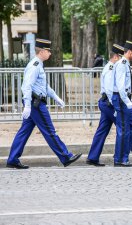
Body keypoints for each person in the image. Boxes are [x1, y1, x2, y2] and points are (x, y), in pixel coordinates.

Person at [6, 38, 82, 169]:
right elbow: (26, 86)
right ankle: (66, 156)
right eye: (48, 51)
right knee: (50, 131)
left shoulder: (38, 64)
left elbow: (44, 86)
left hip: (35, 103)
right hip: (36, 105)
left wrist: (56, 97)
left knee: (23, 132)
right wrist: (28, 105)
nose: (50, 53)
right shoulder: (34, 66)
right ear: (41, 51)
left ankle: (13, 159)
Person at [86, 44, 132, 166]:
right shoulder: (112, 67)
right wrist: (119, 103)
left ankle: (94, 157)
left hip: (113, 101)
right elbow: (109, 89)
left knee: (109, 129)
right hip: (110, 102)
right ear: (117, 56)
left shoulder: (117, 65)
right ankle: (122, 157)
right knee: (124, 128)